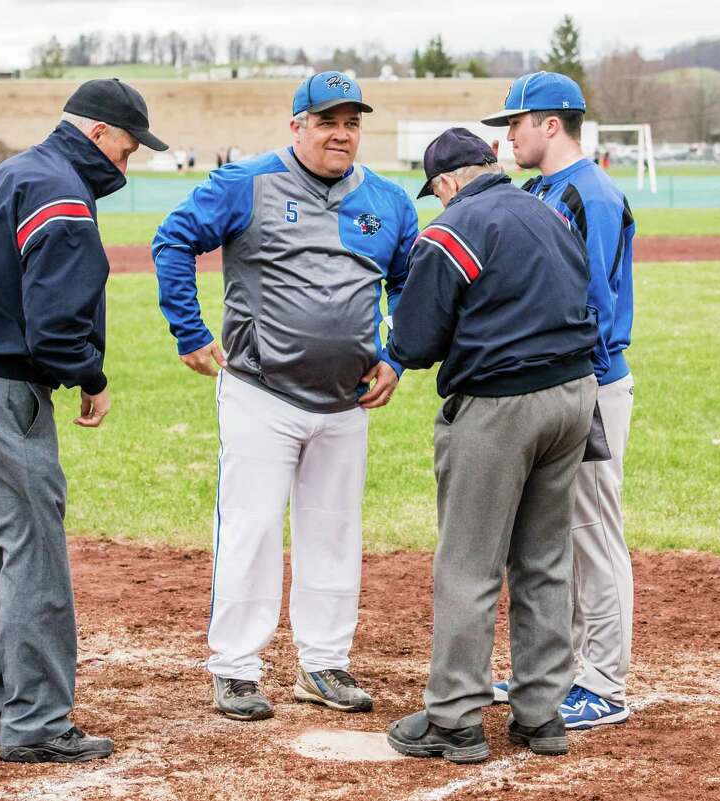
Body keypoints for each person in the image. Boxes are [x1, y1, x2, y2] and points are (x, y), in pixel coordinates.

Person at [152, 70, 419, 722]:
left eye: (352, 122)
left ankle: (323, 662)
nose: (341, 133)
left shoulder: (388, 200)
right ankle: (236, 667)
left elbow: (411, 284)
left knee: (334, 532)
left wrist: (398, 356)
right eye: (327, 121)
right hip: (261, 393)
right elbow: (174, 238)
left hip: (344, 400)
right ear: (296, 125)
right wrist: (189, 328)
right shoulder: (246, 184)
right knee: (253, 527)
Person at [0, 78, 167, 763]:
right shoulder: (63, 192)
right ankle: (35, 721)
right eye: (125, 151)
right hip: (8, 395)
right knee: (34, 561)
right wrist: (91, 378)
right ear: (97, 133)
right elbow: (57, 325)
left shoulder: (14, 170)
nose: (125, 168)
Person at [385, 128, 598, 763]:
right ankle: (541, 714)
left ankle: (453, 718)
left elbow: (418, 340)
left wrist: (392, 355)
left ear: (447, 182)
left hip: (501, 406)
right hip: (573, 397)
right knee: (544, 561)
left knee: (469, 566)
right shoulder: (547, 209)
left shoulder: (453, 227)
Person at [482, 71, 637, 731]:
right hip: (557, 380)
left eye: (515, 122)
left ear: (552, 123)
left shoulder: (589, 194)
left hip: (589, 381)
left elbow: (593, 302)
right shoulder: (540, 189)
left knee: (592, 534)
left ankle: (603, 682)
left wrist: (565, 375)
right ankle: (554, 668)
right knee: (553, 533)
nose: (507, 134)